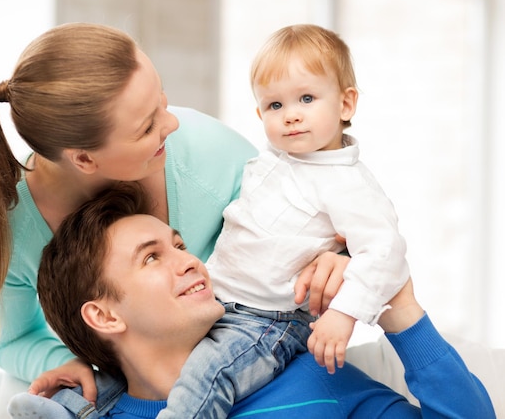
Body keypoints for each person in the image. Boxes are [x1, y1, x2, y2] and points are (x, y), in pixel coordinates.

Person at [0, 21, 283, 400]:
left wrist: (336, 257)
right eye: (147, 127)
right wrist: (60, 362)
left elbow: (315, 223)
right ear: (83, 158)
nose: (173, 122)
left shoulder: (209, 152)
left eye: (161, 100)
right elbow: (14, 339)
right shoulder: (12, 233)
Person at [8, 183, 495, 418]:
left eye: (179, 245)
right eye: (152, 258)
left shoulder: (313, 373)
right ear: (104, 315)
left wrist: (400, 309)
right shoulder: (92, 413)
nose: (189, 261)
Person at [149, 23, 411, 417]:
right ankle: (75, 407)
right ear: (259, 113)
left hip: (267, 322)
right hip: (218, 299)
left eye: (306, 98)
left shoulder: (347, 183)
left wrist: (343, 313)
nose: (290, 116)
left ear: (345, 104)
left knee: (206, 377)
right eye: (275, 106)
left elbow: (385, 252)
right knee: (148, 358)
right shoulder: (271, 160)